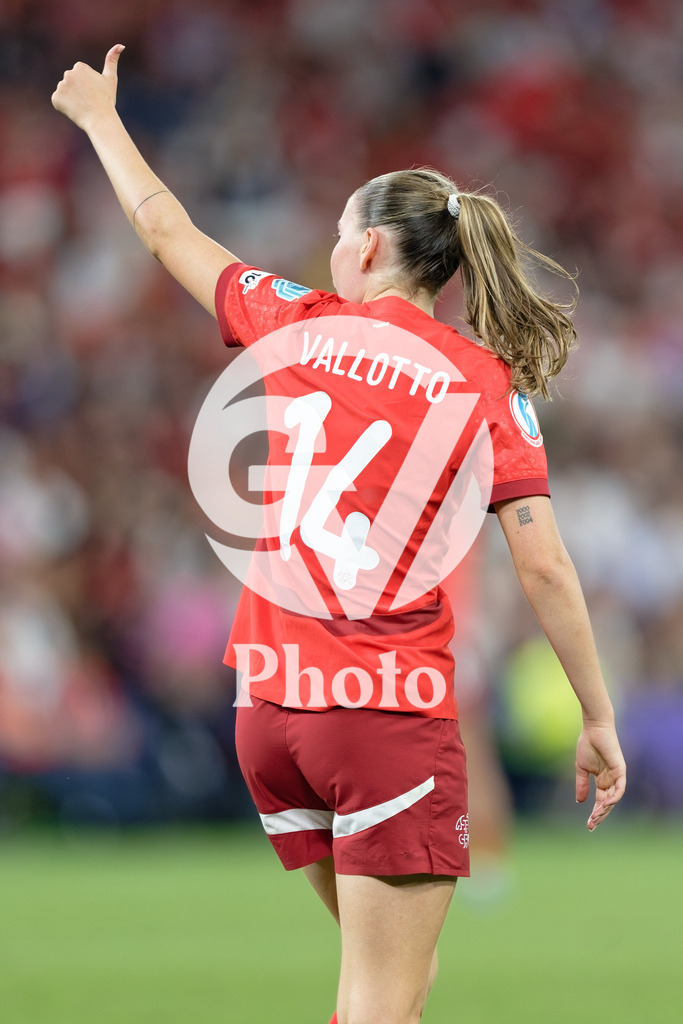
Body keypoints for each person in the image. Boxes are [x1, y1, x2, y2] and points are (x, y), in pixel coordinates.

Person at [52, 46, 627, 1024]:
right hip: (380, 713)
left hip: (268, 713)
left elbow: (164, 229)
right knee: (382, 1000)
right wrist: (596, 714)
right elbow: (542, 564)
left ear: (365, 248)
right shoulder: (481, 383)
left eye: (334, 232)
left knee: (389, 986)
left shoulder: (291, 321)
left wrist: (103, 121)